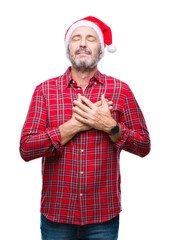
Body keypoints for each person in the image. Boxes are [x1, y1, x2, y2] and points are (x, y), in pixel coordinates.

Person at [20, 16, 151, 240]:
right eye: (76, 38)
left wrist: (110, 126)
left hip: (103, 216)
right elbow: (26, 149)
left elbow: (143, 145)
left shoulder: (121, 90)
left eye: (91, 39)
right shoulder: (44, 91)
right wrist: (73, 126)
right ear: (67, 49)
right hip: (57, 215)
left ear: (101, 51)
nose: (82, 43)